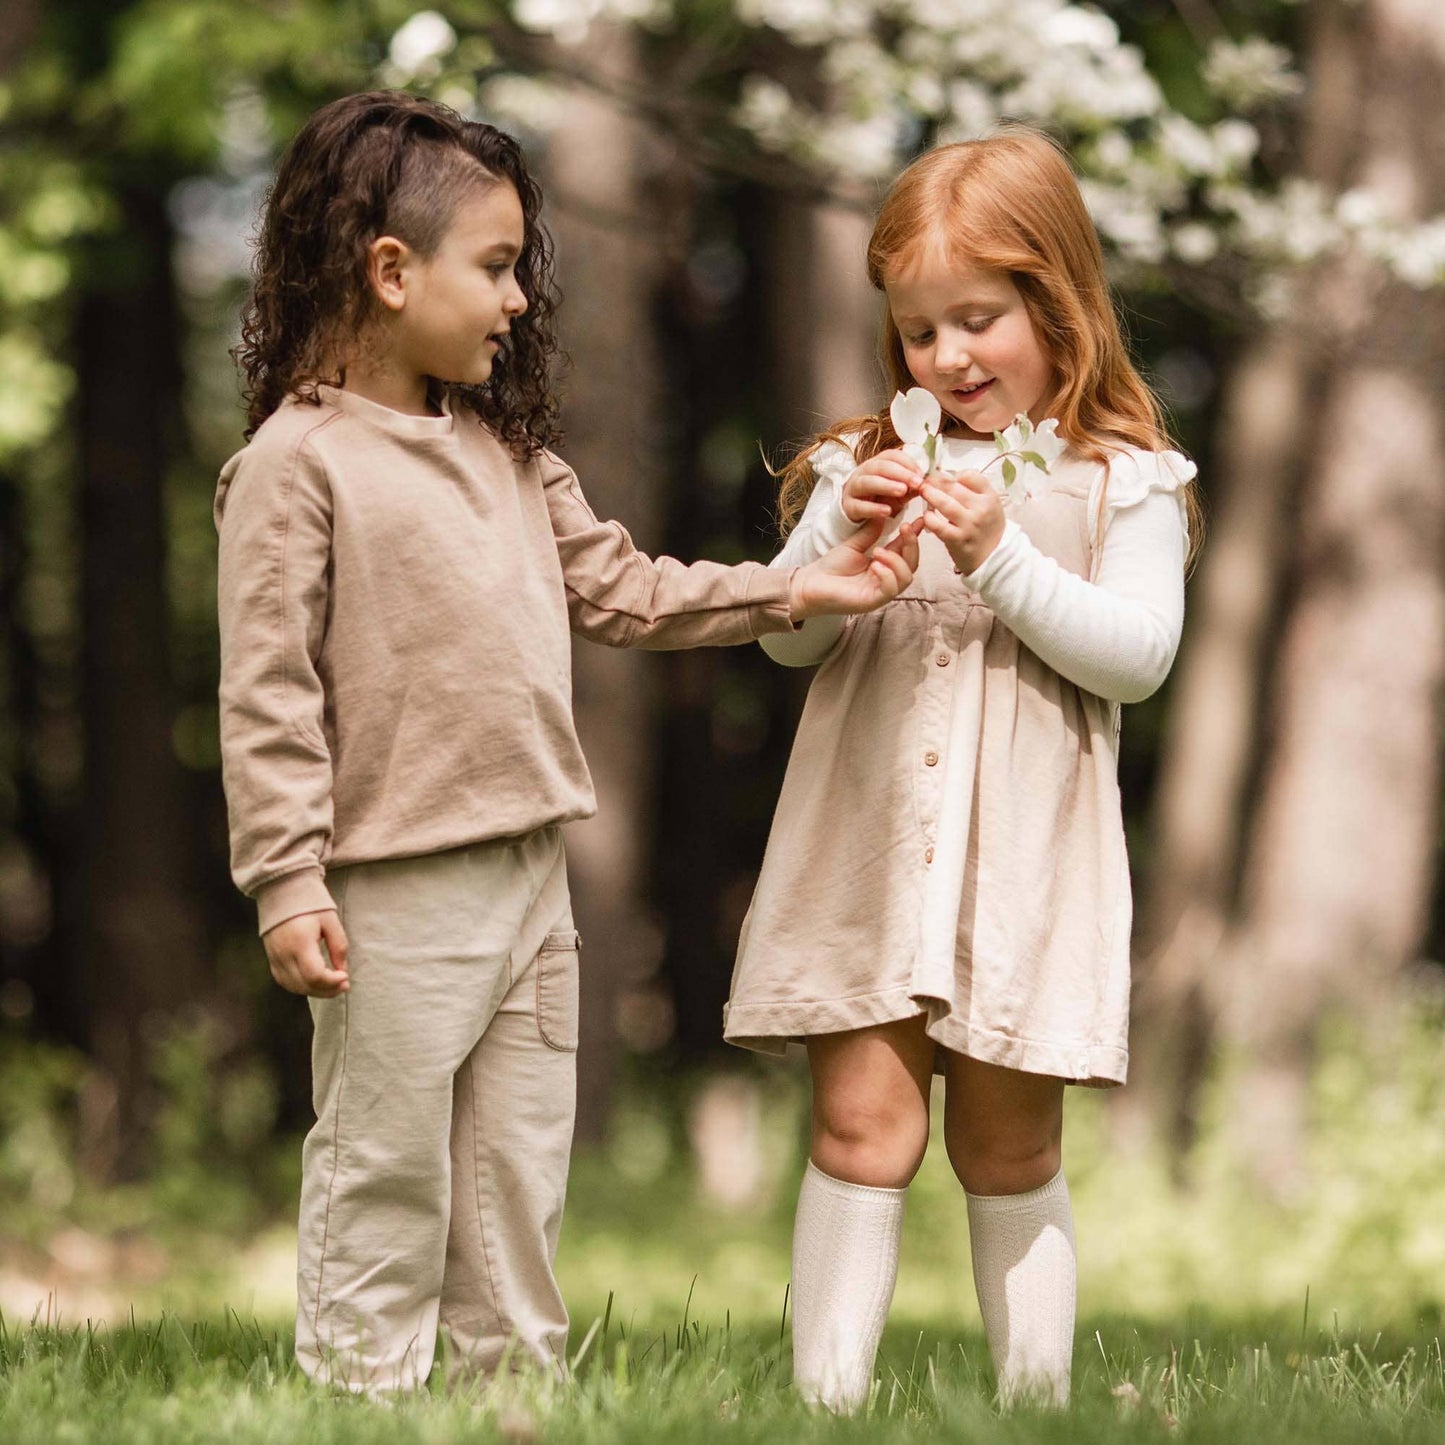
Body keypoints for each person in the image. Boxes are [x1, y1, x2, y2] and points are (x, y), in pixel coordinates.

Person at [215, 89, 919, 1397]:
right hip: (393, 883)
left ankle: (506, 1397)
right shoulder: (295, 465)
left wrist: (795, 587)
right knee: (385, 1158)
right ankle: (361, 1395)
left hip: (534, 878)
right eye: (494, 268)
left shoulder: (507, 455)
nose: (518, 300)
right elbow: (266, 697)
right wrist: (286, 875)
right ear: (388, 270)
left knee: (514, 1163)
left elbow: (625, 589)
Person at [724, 126, 1202, 1411]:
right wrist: (838, 536)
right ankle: (823, 1399)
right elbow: (791, 639)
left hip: (1020, 865)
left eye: (976, 320)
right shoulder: (860, 463)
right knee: (860, 1127)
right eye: (917, 332)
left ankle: (1033, 1400)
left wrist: (999, 553)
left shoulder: (1122, 484)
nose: (944, 358)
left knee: (1008, 1140)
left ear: (1057, 303)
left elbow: (1136, 657)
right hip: (870, 852)